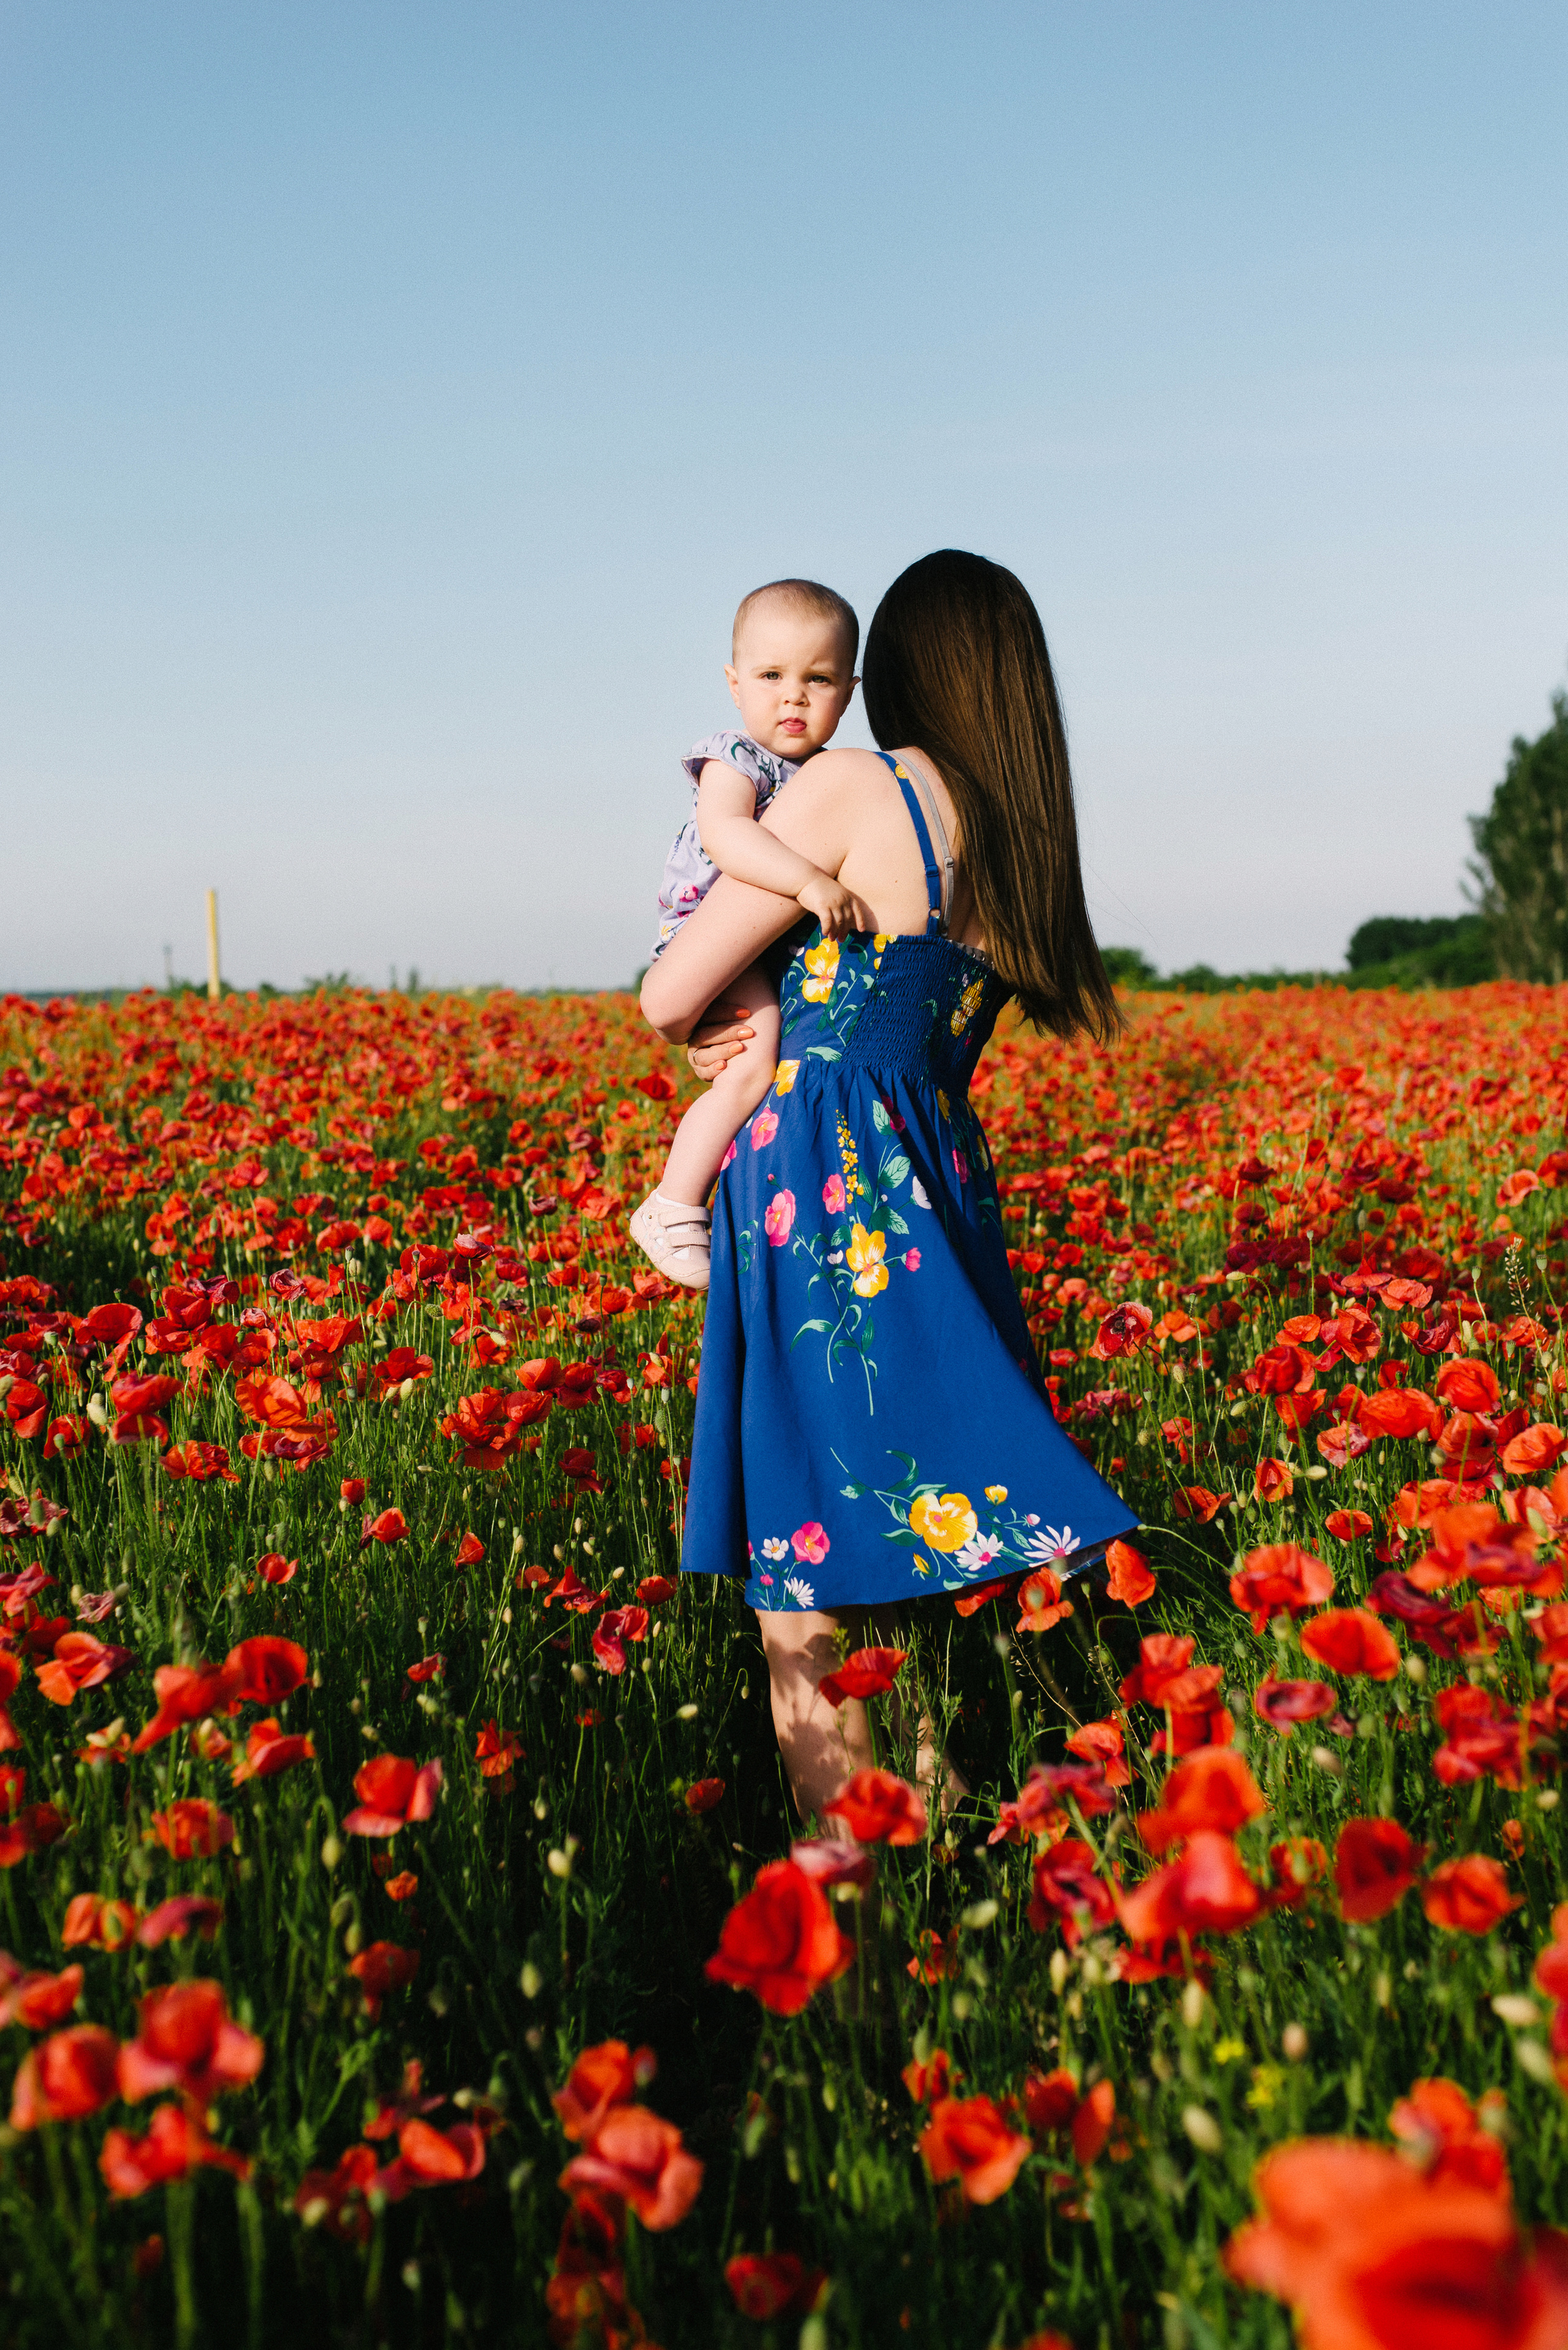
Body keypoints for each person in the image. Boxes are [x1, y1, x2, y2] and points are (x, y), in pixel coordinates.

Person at [639, 550, 1139, 1821]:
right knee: (874, 1559)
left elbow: (666, 993)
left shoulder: (858, 787)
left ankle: (850, 1934)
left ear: (895, 669)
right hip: (931, 1186)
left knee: (802, 1582)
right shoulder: (1019, 838)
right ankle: (938, 1851)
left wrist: (728, 1026)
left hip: (815, 1187)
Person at [630, 579, 865, 1292]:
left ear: (848, 692)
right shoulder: (736, 757)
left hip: (755, 947)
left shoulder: (827, 774)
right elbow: (727, 836)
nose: (793, 696)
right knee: (753, 1066)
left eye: (817, 678)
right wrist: (808, 882)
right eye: (770, 676)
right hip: (704, 928)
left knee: (749, 1066)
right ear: (734, 684)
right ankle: (671, 1205)